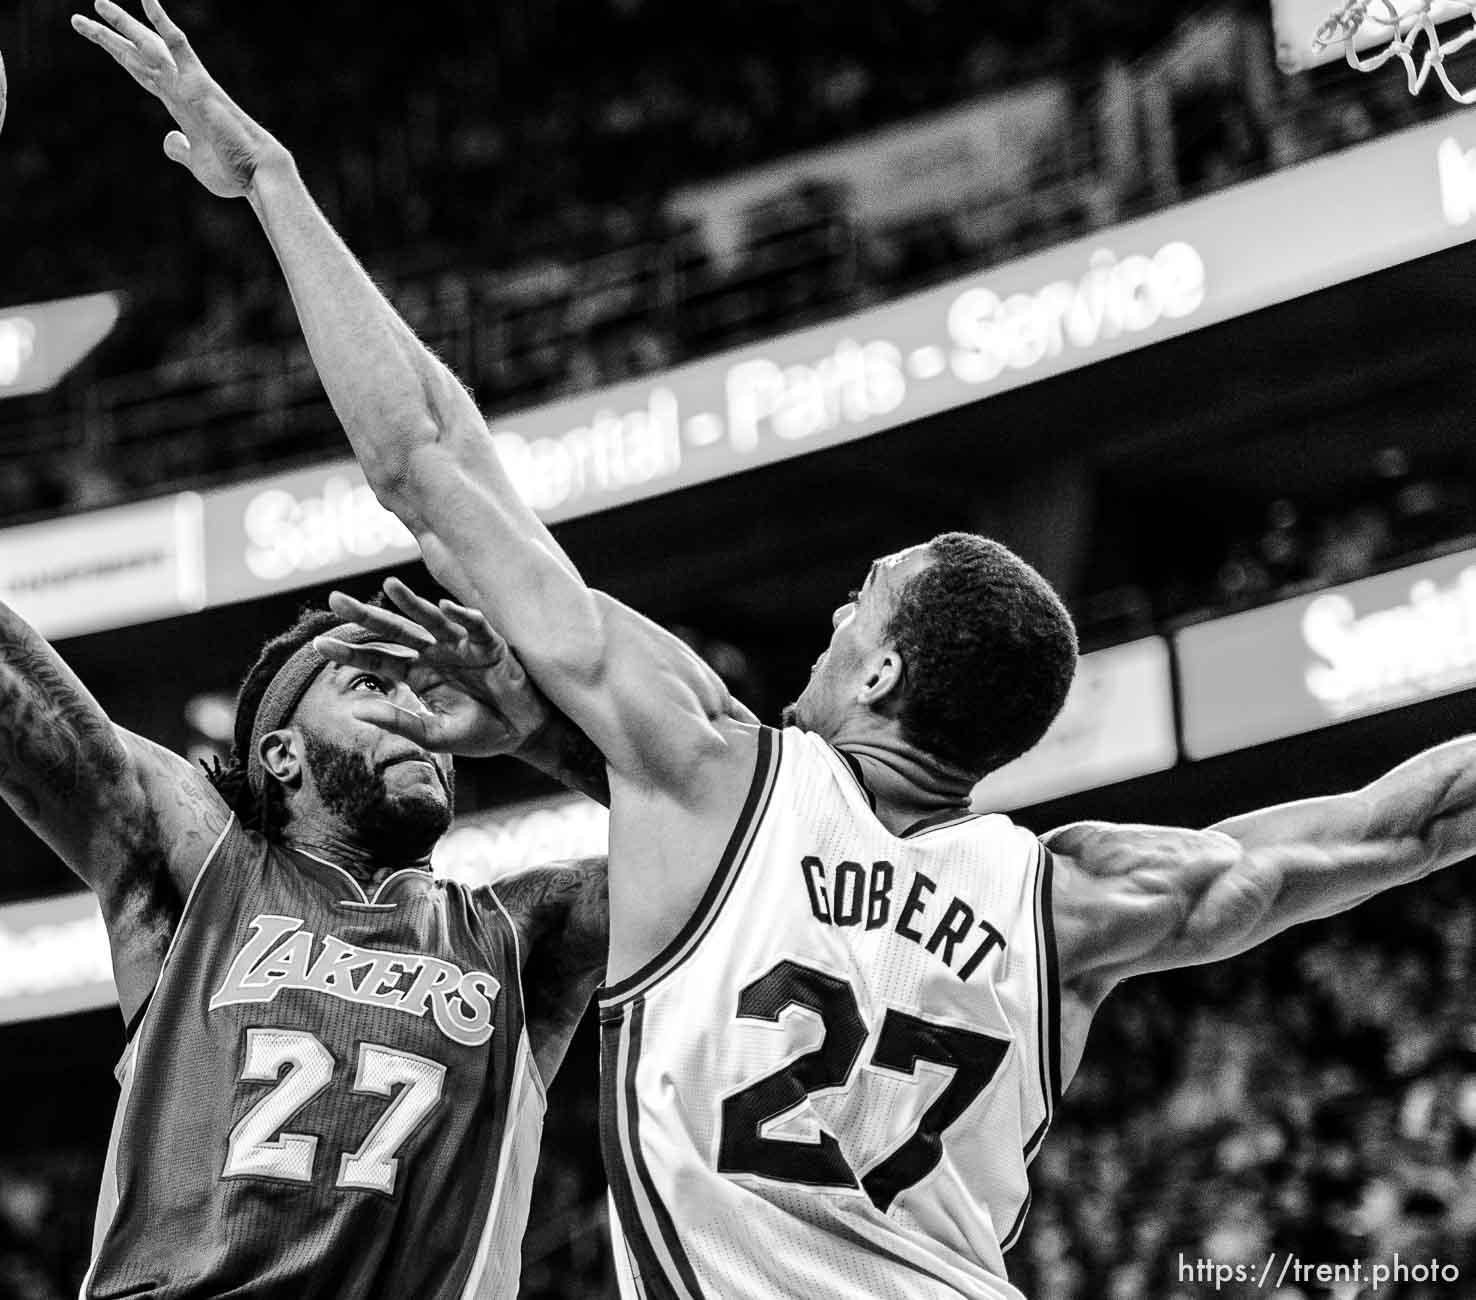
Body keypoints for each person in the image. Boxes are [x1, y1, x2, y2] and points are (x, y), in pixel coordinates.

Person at [84, 5, 1476, 1297]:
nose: (828, 616)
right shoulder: (1073, 899)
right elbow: (1393, 829)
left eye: (857, 605)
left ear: (881, 675)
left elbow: (425, 459)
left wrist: (269, 176)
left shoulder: (714, 765)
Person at [0, 49, 612, 1300]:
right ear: (280, 755)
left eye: (418, 690)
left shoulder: (527, 935)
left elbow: (730, 819)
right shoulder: (196, 865)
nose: (419, 705)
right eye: (372, 685)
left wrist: (542, 732)